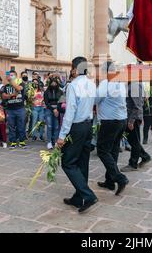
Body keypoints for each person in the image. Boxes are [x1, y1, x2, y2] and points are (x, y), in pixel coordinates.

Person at [56, 56, 98, 213]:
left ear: (74, 69)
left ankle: (87, 195)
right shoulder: (92, 84)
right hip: (88, 125)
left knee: (68, 162)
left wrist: (62, 135)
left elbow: (70, 112)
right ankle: (78, 196)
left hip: (77, 127)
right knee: (82, 161)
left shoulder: (73, 86)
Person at [95, 61, 129, 195]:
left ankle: (119, 178)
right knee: (113, 150)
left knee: (102, 150)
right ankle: (109, 181)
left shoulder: (105, 83)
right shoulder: (120, 82)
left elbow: (95, 99)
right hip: (121, 120)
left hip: (110, 121)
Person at [121, 81, 152, 172]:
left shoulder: (134, 85)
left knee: (134, 141)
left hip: (133, 118)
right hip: (131, 117)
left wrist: (131, 121)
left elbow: (137, 105)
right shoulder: (133, 84)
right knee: (133, 140)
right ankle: (145, 156)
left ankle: (133, 164)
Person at [0, 70, 27, 148]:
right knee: (11, 126)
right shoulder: (5, 86)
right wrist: (12, 95)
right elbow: (4, 96)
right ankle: (13, 141)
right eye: (10, 75)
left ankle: (22, 141)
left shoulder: (21, 83)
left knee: (21, 125)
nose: (10, 76)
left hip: (20, 109)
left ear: (16, 76)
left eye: (12, 75)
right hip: (10, 109)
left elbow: (18, 88)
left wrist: (11, 81)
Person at [44, 77, 63, 150]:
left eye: (55, 83)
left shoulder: (60, 92)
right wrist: (53, 109)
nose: (54, 84)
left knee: (56, 126)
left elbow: (61, 102)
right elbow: (46, 102)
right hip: (49, 110)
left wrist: (57, 109)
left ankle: (55, 141)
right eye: (52, 83)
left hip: (58, 110)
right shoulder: (46, 92)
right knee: (49, 126)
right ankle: (49, 142)